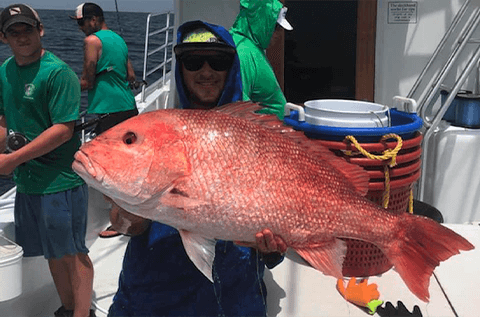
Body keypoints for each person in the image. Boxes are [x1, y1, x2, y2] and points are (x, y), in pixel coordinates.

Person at [107, 21, 286, 317]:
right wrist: (129, 208)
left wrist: (271, 249)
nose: (206, 72)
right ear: (180, 69)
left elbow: (274, 250)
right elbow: (125, 225)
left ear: (231, 69)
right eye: (192, 62)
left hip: (232, 290)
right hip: (155, 291)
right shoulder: (152, 132)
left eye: (218, 62)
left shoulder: (259, 137)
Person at [0, 4, 94, 317]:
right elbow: (4, 120)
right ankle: (68, 309)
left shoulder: (58, 73)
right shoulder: (5, 71)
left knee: (73, 253)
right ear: (4, 38)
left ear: (40, 30)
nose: (21, 36)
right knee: (51, 254)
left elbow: (63, 130)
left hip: (60, 181)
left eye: (27, 29)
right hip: (27, 183)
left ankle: (82, 314)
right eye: (14, 32)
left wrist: (11, 160)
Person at [70, 2, 139, 238]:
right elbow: (131, 76)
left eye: (81, 22)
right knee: (129, 168)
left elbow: (87, 80)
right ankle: (136, 215)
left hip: (109, 113)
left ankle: (122, 222)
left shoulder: (92, 41)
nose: (80, 28)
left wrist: (58, 87)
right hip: (129, 109)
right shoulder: (118, 39)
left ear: (94, 19)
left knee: (113, 171)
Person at [230, 0, 293, 120]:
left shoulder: (252, 48)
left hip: (273, 131)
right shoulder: (242, 52)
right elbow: (239, 106)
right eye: (276, 27)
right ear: (261, 21)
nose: (279, 33)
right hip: (261, 134)